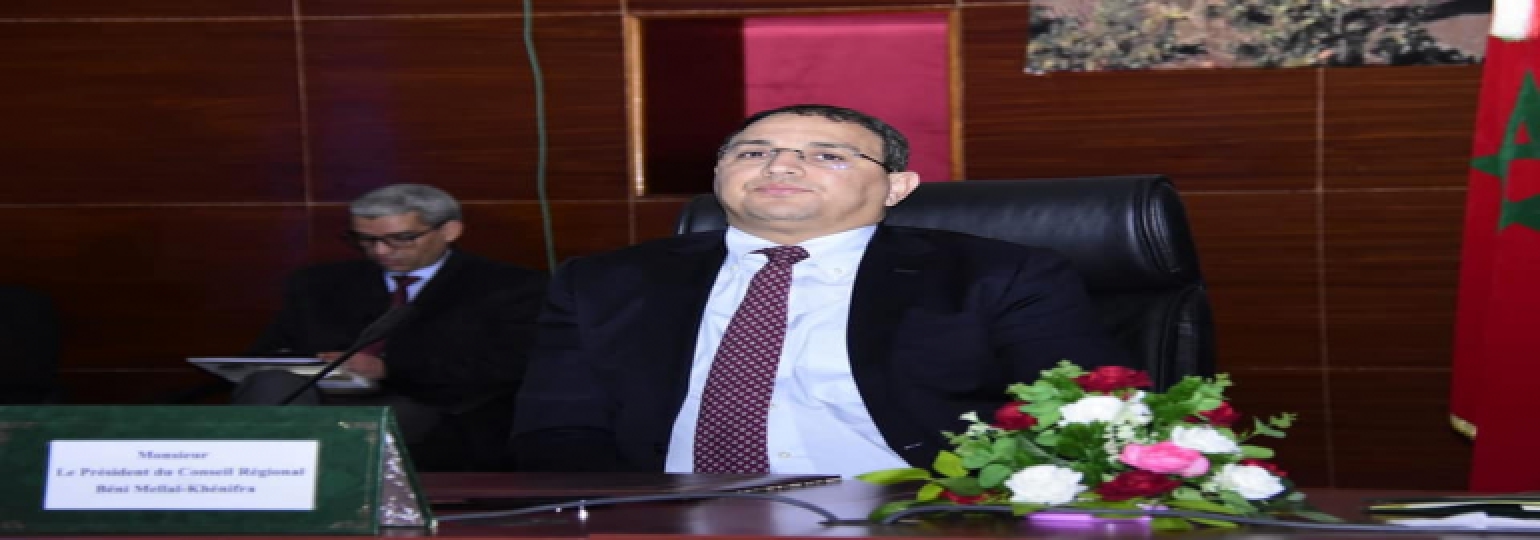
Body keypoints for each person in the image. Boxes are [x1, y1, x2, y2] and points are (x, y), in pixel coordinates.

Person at [511, 104, 1131, 477]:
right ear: (719, 175)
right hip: (669, 517)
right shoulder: (604, 281)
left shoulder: (999, 275)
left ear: (897, 187)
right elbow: (556, 432)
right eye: (753, 152)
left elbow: (1084, 419)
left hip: (908, 515)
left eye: (828, 156)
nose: (779, 166)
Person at [240, 183, 546, 472]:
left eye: (401, 238)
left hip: (434, 404)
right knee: (271, 384)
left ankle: (318, 487)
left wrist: (389, 368)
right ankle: (271, 484)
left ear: (449, 230)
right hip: (321, 399)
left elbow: (509, 365)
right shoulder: (318, 283)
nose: (381, 251)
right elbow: (273, 348)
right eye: (366, 240)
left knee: (381, 420)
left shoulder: (509, 286)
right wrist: (310, 365)